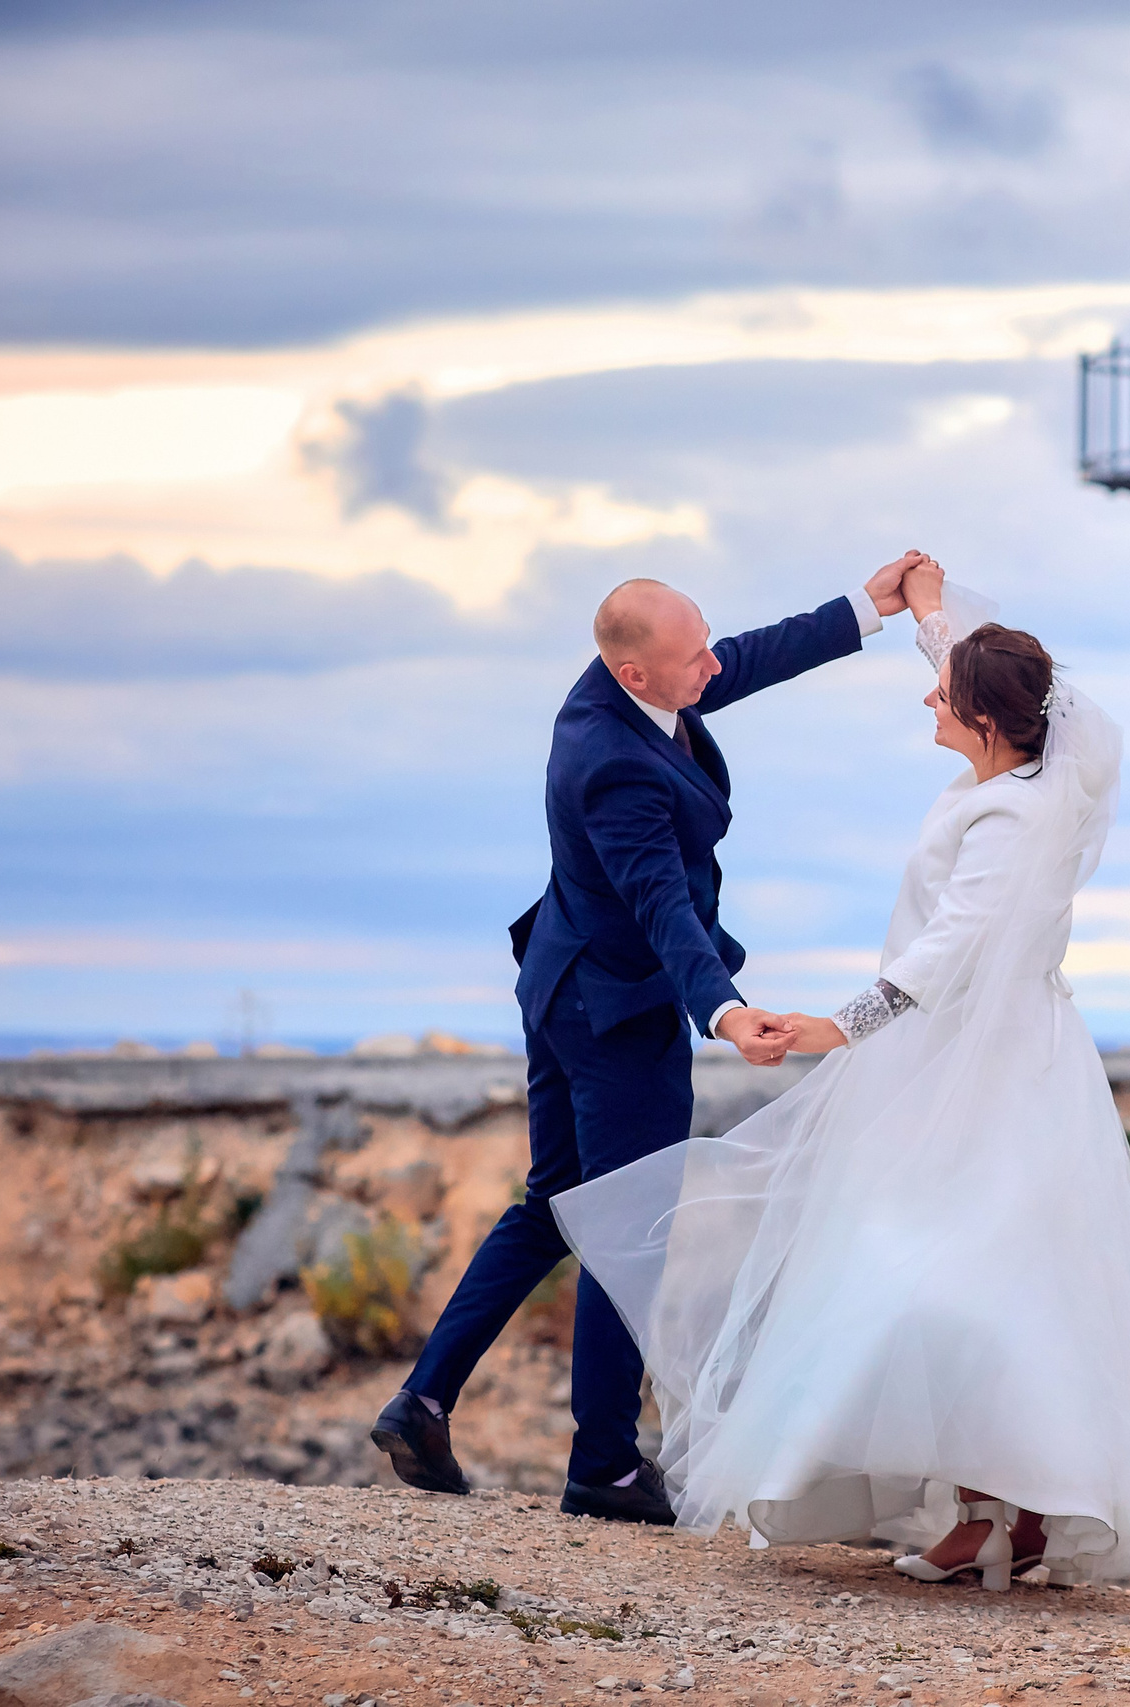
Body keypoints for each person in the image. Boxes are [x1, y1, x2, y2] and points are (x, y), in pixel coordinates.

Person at [552, 556, 1130, 1586]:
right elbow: (981, 670)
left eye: (945, 696)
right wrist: (924, 609)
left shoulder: (1013, 818)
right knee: (950, 1274)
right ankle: (991, 1512)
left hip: (986, 1069)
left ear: (985, 723)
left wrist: (831, 1029)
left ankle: (1008, 1508)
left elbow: (949, 952)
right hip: (961, 1056)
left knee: (968, 1279)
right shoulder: (1043, 759)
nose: (928, 695)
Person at [371, 553, 925, 1523]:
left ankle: (421, 1401)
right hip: (615, 1010)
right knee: (627, 1227)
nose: (708, 665)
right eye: (689, 656)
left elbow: (737, 661)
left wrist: (861, 609)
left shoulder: (629, 689)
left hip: (563, 978)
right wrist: (722, 1009)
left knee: (553, 1201)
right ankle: (603, 1468)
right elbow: (660, 901)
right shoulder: (613, 763)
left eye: (702, 641)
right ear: (634, 674)